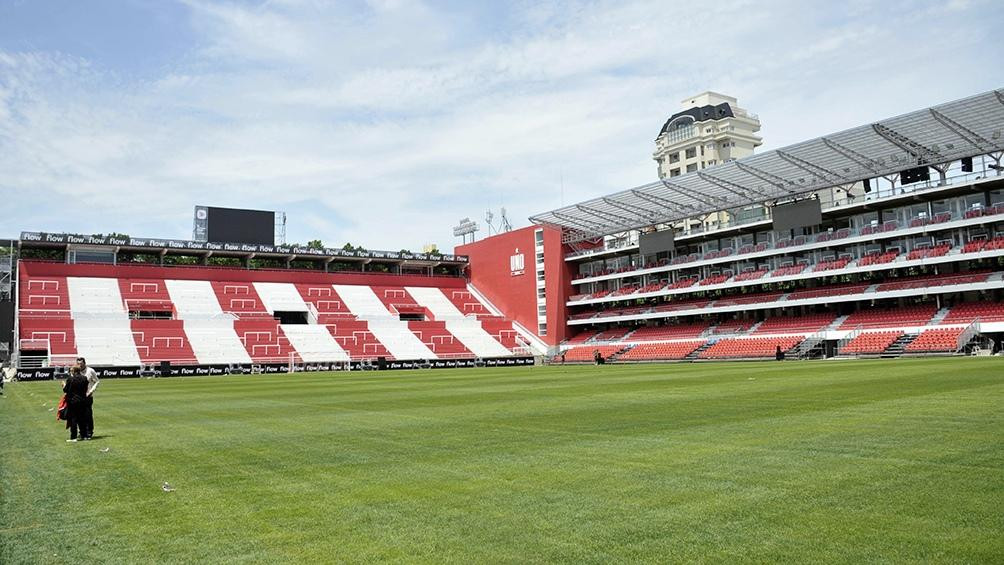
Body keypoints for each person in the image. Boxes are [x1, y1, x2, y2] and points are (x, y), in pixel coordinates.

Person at [62, 366, 90, 442]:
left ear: (74, 371)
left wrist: (64, 385)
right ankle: (84, 436)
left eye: (71, 371)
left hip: (72, 401)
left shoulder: (70, 379)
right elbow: (86, 388)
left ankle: (73, 437)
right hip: (82, 400)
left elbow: (66, 390)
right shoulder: (84, 378)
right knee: (82, 419)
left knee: (73, 419)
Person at [76, 357, 99, 439]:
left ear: (84, 363)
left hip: (88, 396)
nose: (80, 366)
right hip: (78, 397)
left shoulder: (90, 371)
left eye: (81, 364)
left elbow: (97, 381)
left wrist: (91, 391)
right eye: (78, 364)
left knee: (88, 415)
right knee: (79, 415)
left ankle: (89, 432)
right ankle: (81, 432)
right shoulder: (76, 371)